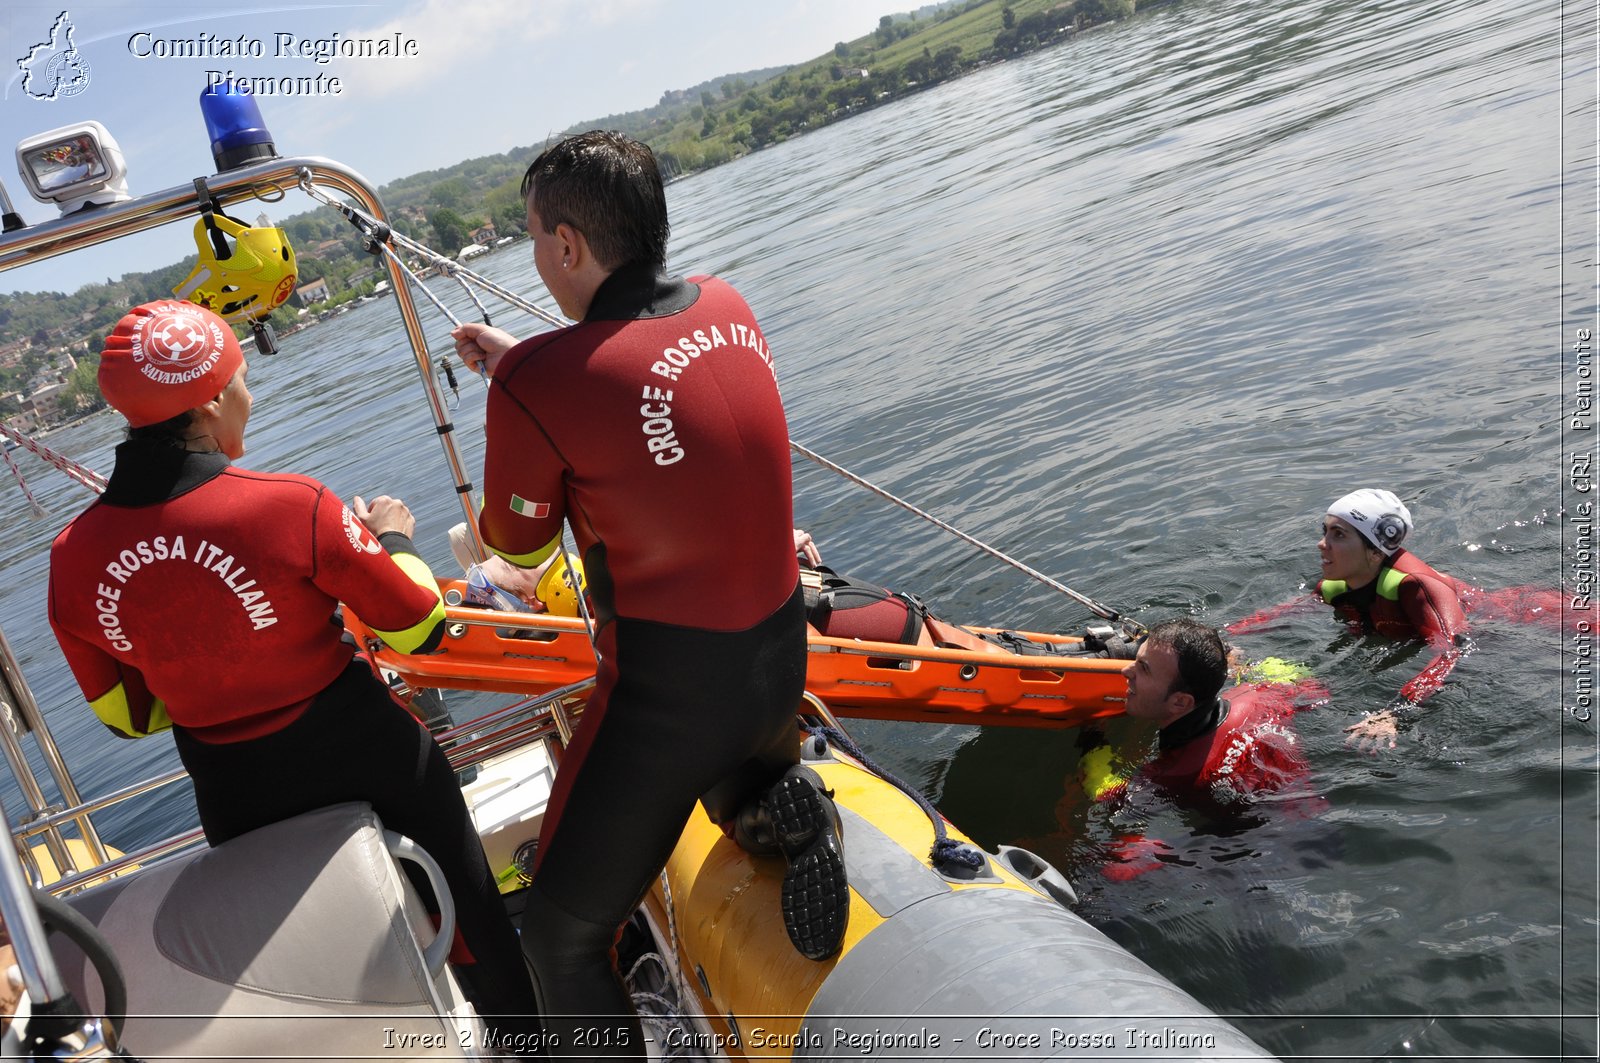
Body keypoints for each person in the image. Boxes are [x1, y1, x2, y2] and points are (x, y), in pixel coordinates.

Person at [45, 300, 538, 1045]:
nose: (250, 393)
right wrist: (393, 537)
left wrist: (198, 654)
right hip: (376, 763)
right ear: (209, 399)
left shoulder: (69, 560)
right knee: (474, 933)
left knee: (325, 975)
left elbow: (131, 717)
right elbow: (420, 623)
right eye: (241, 379)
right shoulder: (289, 506)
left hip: (237, 797)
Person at [451, 131, 846, 1058]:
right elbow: (638, 392)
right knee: (716, 777)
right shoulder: (729, 303)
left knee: (558, 935)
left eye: (535, 236)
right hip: (777, 668)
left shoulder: (535, 383)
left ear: (566, 247)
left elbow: (514, 541)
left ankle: (762, 796)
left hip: (669, 703)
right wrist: (530, 366)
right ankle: (774, 795)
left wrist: (517, 383)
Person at [1074, 618, 1326, 879]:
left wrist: (1091, 735)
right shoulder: (1260, 697)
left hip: (1273, 855)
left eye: (1143, 669)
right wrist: (1242, 665)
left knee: (1116, 869)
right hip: (1318, 821)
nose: (1126, 671)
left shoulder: (1175, 773)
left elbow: (1104, 791)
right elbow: (1300, 677)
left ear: (1181, 702)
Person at [1228, 488, 1478, 751]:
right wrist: (1222, 643)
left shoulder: (1418, 587)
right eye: (1324, 531)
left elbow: (1456, 650)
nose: (1322, 543)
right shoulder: (1333, 587)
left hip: (1508, 621)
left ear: (1375, 551)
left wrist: (1396, 712)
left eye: (1339, 534)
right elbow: (1275, 616)